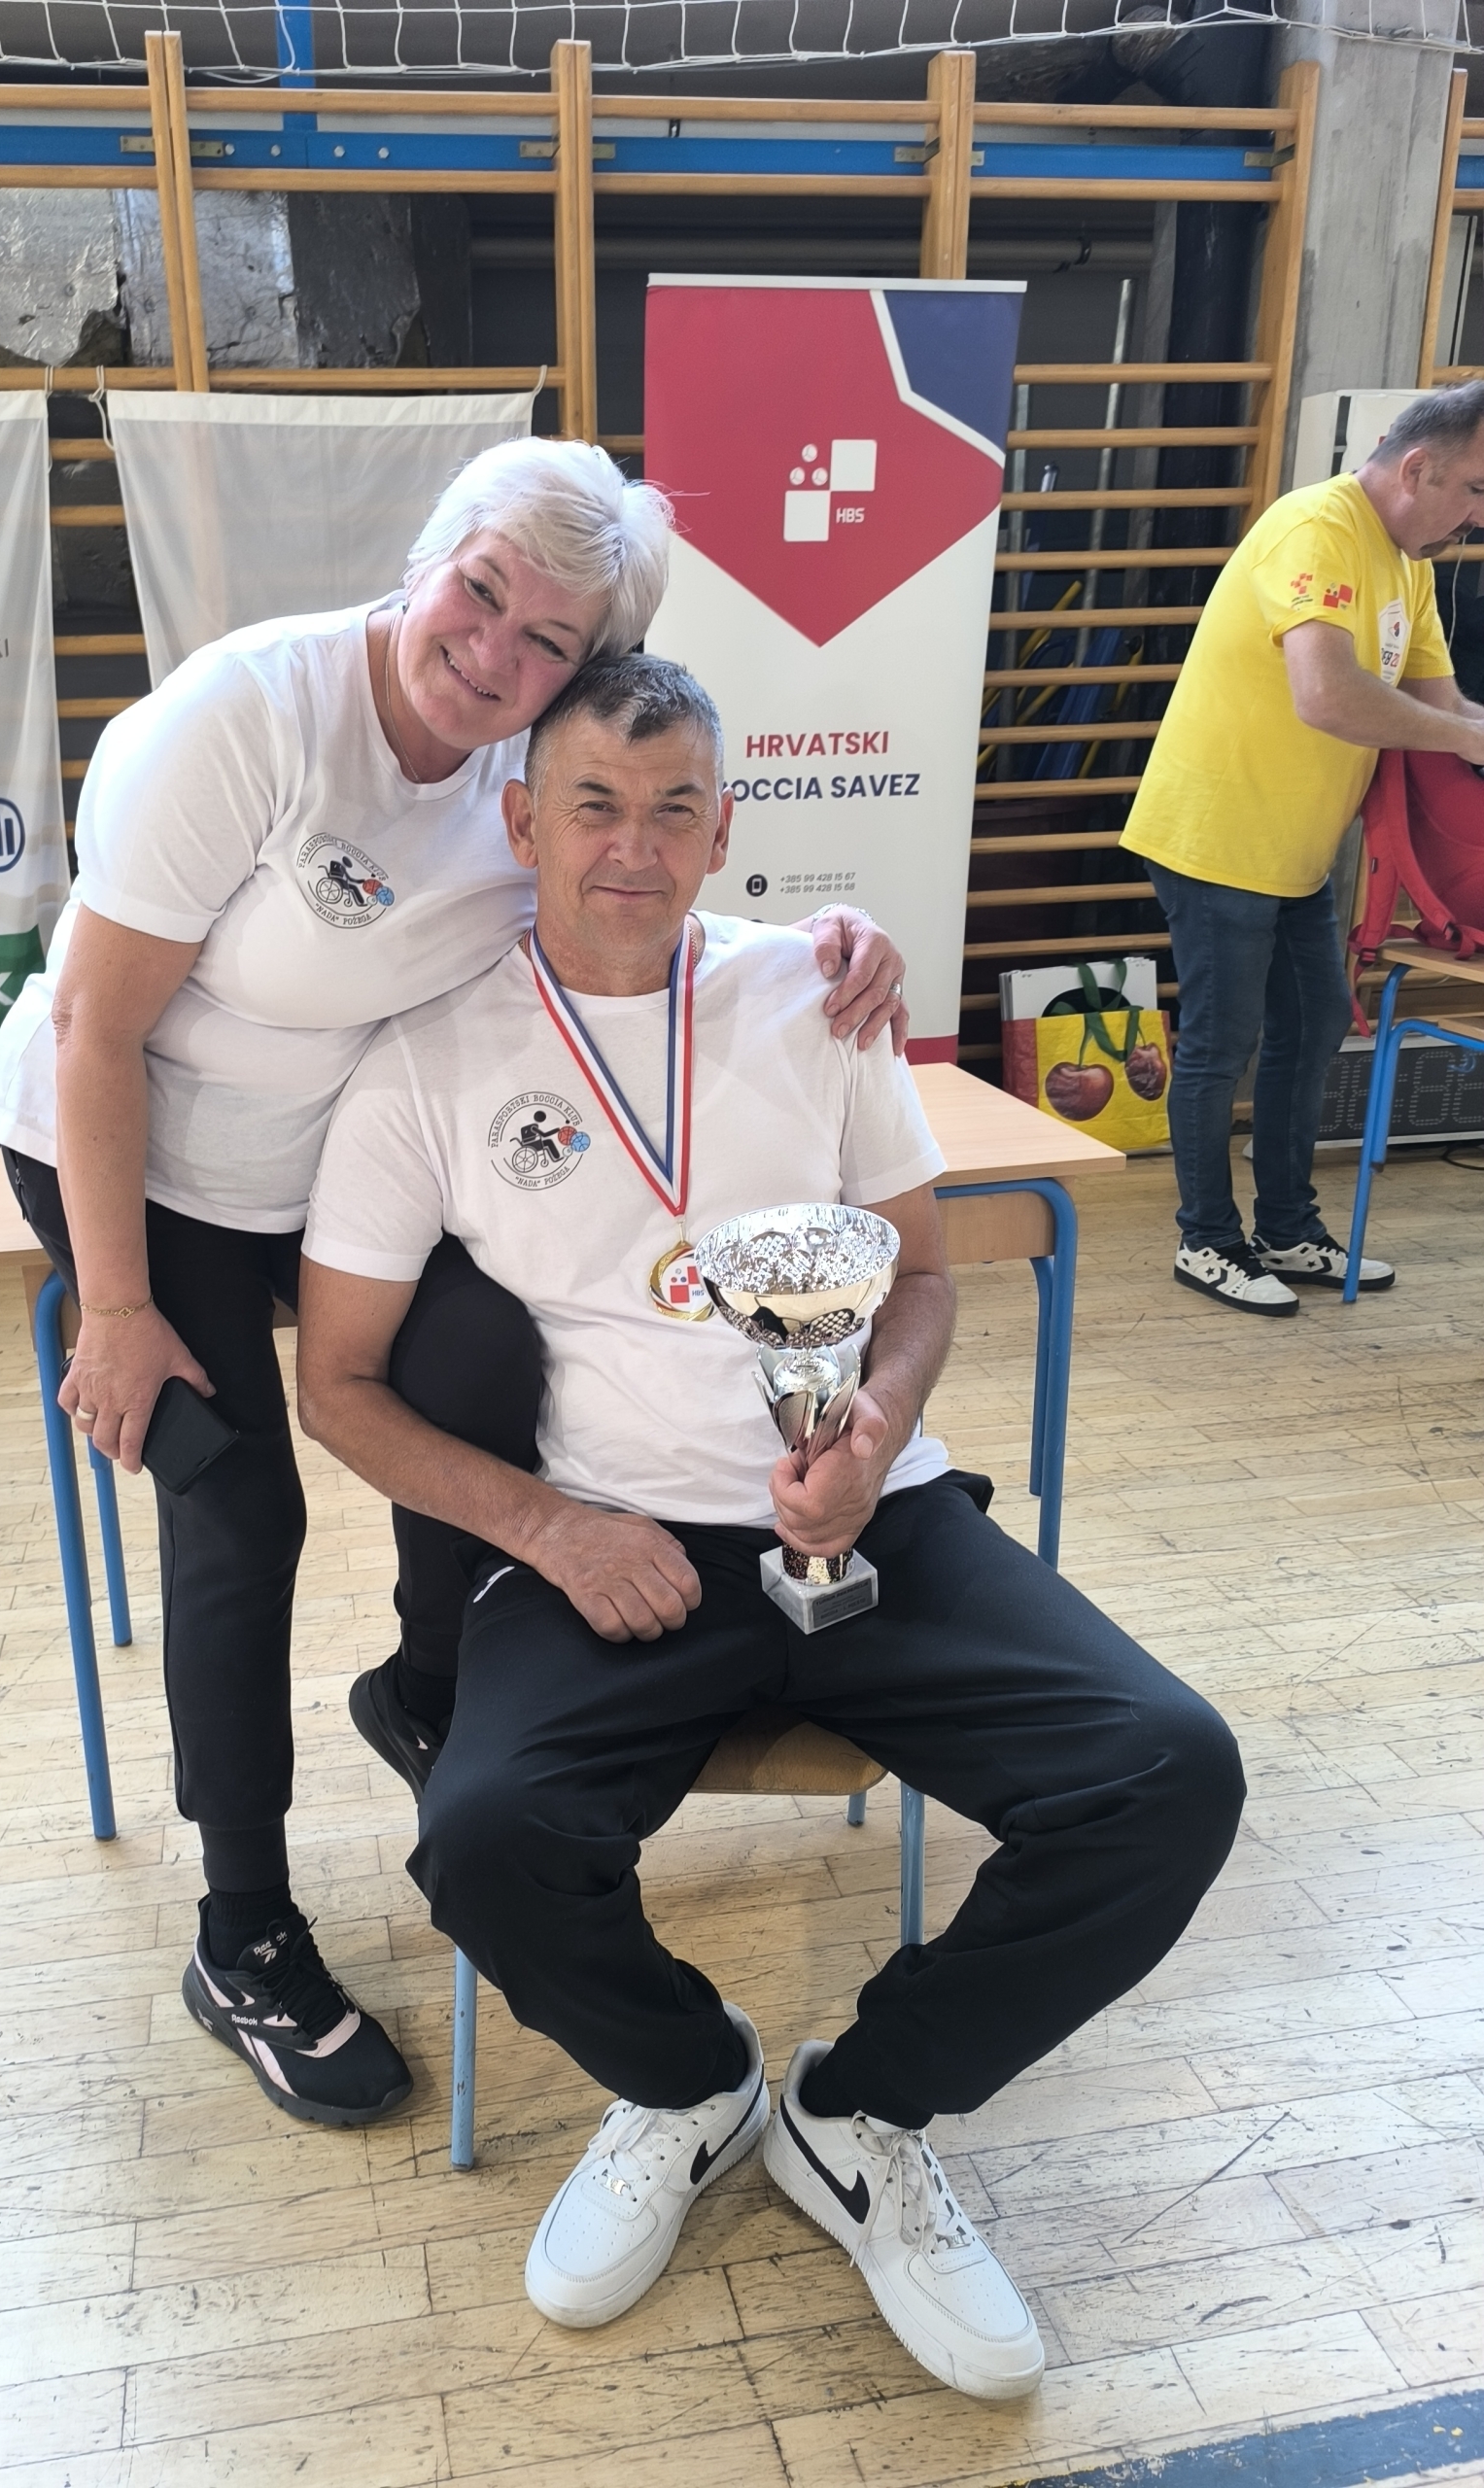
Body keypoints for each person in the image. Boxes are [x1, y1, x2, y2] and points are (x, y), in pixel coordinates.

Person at [295, 655, 1245, 2398]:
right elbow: (338, 1386)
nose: (635, 848)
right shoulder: (426, 1057)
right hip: (615, 1542)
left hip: (875, 1512)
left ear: (724, 826)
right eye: (594, 805)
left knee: (1172, 1772)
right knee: (484, 1836)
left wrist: (873, 1430)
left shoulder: (818, 997)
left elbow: (925, 1276)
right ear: (523, 821)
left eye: (675, 810)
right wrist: (557, 1533)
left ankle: (859, 2112)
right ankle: (687, 2083)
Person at [0, 439, 908, 2131]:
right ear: (427, 560)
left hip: (324, 1167)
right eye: (480, 594)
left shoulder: (524, 774)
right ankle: (242, 1931)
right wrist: (115, 1309)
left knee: (479, 1364)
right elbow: (96, 1025)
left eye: (547, 640)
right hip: (131, 1158)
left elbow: (642, 875)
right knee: (239, 1504)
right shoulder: (250, 713)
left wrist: (826, 936)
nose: (492, 652)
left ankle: (426, 1692)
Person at [1120, 381, 1484, 1315]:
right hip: (1216, 834)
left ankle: (1285, 1227)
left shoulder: (1410, 565)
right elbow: (1325, 695)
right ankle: (1207, 1241)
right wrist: (1466, 737)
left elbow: (1444, 709)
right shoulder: (1315, 528)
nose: (1478, 517)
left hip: (1296, 849)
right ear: (1418, 468)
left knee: (1316, 1022)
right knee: (1220, 1043)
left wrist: (1474, 734)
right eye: (1475, 491)